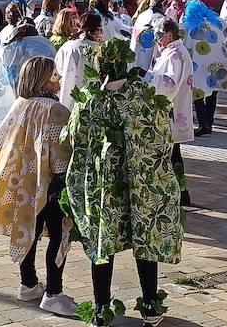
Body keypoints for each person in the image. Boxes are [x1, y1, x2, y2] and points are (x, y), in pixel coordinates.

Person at [63, 38, 181, 327]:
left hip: (104, 187)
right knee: (145, 241)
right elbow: (164, 133)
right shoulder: (142, 97)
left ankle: (102, 310)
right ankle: (151, 307)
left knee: (102, 245)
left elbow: (73, 138)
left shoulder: (89, 101)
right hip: (140, 183)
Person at [0, 56, 78, 317]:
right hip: (51, 184)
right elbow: (61, 154)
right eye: (55, 75)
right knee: (58, 234)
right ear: (43, 79)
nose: (60, 79)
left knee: (27, 228)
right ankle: (54, 292)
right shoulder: (55, 110)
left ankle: (28, 283)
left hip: (24, 182)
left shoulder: (20, 104)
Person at [148, 18, 196, 207]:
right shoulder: (174, 51)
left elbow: (168, 84)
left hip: (170, 110)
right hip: (172, 109)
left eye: (158, 36)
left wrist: (145, 76)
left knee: (170, 154)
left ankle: (178, 193)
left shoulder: (175, 54)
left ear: (168, 35)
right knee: (174, 153)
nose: (156, 41)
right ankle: (181, 193)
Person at [181, 0, 227, 136]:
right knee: (212, 93)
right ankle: (209, 122)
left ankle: (203, 125)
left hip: (199, 65)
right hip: (218, 62)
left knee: (198, 94)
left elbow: (185, 45)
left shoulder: (190, 26)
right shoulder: (216, 23)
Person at [55, 13, 104, 109]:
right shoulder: (98, 49)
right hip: (90, 97)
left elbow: (58, 68)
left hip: (67, 92)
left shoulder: (67, 46)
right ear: (96, 30)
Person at [132, 0, 168, 71]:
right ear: (163, 4)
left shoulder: (142, 15)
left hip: (136, 56)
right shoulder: (161, 19)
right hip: (149, 61)